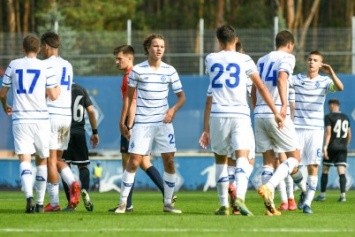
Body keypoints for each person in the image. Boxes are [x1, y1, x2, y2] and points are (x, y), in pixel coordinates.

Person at [199, 24, 283, 216]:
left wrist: (206, 129)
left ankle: (223, 205)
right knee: (243, 158)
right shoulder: (245, 60)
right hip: (240, 114)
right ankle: (240, 197)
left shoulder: (210, 58)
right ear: (236, 40)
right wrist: (275, 111)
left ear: (219, 41)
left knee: (221, 160)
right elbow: (260, 87)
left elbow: (210, 96)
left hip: (218, 114)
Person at [114, 34, 186, 214]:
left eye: (162, 46)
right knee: (134, 162)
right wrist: (124, 122)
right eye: (156, 46)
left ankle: (168, 204)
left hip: (163, 123)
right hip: (143, 123)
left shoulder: (169, 70)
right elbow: (130, 97)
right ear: (148, 48)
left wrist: (173, 110)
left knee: (169, 161)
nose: (159, 49)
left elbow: (181, 97)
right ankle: (123, 204)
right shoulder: (137, 70)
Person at [0, 34, 60, 213]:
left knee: (24, 160)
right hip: (41, 119)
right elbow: (54, 96)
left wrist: (5, 106)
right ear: (39, 49)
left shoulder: (14, 64)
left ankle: (29, 197)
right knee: (42, 160)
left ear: (23, 49)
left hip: (21, 118)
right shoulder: (45, 66)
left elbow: (3, 93)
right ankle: (41, 204)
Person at [254, 30, 306, 216]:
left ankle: (270, 208)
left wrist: (256, 107)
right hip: (276, 112)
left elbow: (254, 87)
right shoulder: (287, 57)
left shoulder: (261, 60)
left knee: (268, 161)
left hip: (259, 113)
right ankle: (269, 185)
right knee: (295, 157)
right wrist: (284, 105)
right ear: (290, 44)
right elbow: (282, 78)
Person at [290, 51, 344, 213]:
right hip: (297, 129)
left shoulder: (324, 81)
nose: (311, 62)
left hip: (315, 130)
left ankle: (307, 203)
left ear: (320, 64)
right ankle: (303, 191)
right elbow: (282, 82)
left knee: (313, 166)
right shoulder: (297, 79)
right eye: (309, 60)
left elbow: (340, 87)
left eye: (315, 60)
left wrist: (332, 72)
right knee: (292, 166)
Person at [40, 32, 81, 212]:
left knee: (50, 159)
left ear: (47, 46)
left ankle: (55, 203)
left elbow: (46, 92)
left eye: (42, 47)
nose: (41, 50)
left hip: (51, 114)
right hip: (66, 116)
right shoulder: (68, 65)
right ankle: (73, 183)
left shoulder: (43, 65)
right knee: (58, 158)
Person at [61, 83, 99, 211]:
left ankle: (71, 204)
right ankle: (84, 190)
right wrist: (94, 132)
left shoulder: (59, 89)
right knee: (83, 165)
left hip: (64, 132)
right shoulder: (81, 89)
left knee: (63, 166)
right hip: (80, 132)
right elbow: (91, 112)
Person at [315, 99, 351, 202]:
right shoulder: (345, 117)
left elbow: (328, 133)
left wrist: (325, 147)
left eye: (331, 105)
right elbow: (349, 134)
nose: (330, 107)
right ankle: (343, 195)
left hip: (331, 147)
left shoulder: (328, 117)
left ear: (334, 105)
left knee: (325, 170)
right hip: (342, 148)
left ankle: (322, 195)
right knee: (341, 171)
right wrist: (345, 145)